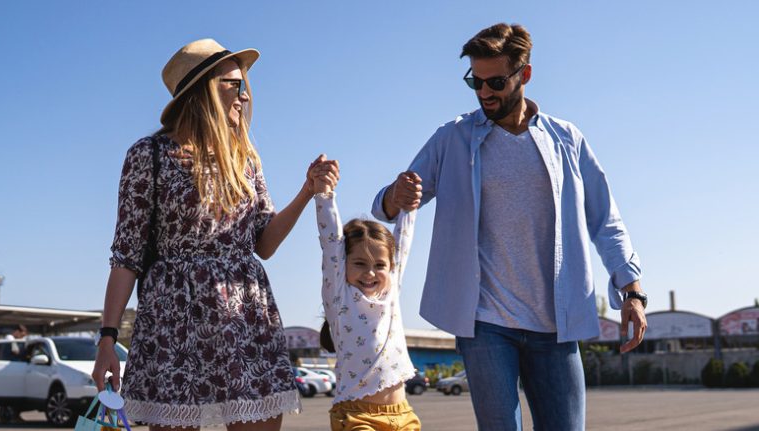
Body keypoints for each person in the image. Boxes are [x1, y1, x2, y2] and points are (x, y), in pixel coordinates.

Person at [371, 23, 647, 430]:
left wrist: (633, 290)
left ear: (525, 75)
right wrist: (397, 196)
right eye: (475, 82)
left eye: (495, 82)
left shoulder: (566, 140)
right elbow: (389, 203)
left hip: (556, 324)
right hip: (486, 323)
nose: (484, 93)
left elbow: (605, 220)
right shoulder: (452, 138)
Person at [91, 38, 339, 431]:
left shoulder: (246, 160)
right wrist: (107, 337)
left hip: (245, 317)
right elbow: (126, 256)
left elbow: (265, 242)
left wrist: (307, 191)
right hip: (173, 321)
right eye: (234, 84)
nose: (245, 96)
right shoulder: (149, 155)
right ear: (202, 89)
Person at [313, 166, 421, 430]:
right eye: (360, 263)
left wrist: (409, 208)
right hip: (357, 415)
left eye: (379, 265)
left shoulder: (391, 290)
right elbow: (331, 244)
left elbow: (403, 243)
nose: (370, 273)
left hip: (402, 414)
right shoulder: (340, 296)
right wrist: (324, 194)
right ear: (344, 264)